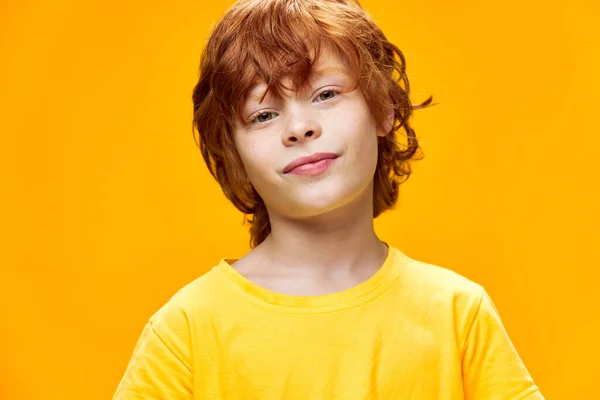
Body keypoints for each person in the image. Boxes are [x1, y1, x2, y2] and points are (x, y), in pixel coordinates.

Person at [113, 0, 544, 398]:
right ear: (234, 155)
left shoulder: (458, 315)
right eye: (263, 114)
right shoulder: (185, 331)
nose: (299, 127)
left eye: (326, 94)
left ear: (383, 109)